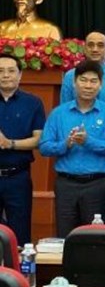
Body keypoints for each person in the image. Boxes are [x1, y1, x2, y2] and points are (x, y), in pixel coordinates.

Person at [40, 61, 105, 236]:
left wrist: (89, 141)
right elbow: (44, 147)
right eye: (83, 80)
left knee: (96, 238)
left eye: (93, 81)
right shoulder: (59, 113)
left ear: (100, 85)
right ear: (74, 82)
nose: (88, 85)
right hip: (66, 184)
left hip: (97, 184)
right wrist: (66, 145)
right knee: (65, 236)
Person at [0, 54, 45, 245]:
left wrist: (9, 143)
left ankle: (18, 275)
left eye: (11, 71)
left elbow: (39, 139)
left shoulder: (33, 103)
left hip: (17, 177)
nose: (5, 75)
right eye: (0, 71)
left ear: (20, 75)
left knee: (20, 233)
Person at [61, 31, 105, 129]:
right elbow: (65, 110)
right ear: (84, 49)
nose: (95, 49)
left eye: (100, 45)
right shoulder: (70, 76)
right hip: (76, 133)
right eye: (91, 45)